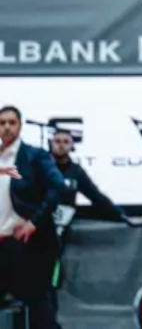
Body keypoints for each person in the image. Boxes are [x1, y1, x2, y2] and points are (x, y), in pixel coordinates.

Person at [0, 106, 67, 329]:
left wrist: (34, 223)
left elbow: (57, 186)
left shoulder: (33, 156)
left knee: (39, 309)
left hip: (24, 244)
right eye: (2, 123)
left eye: (12, 122)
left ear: (20, 126)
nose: (6, 127)